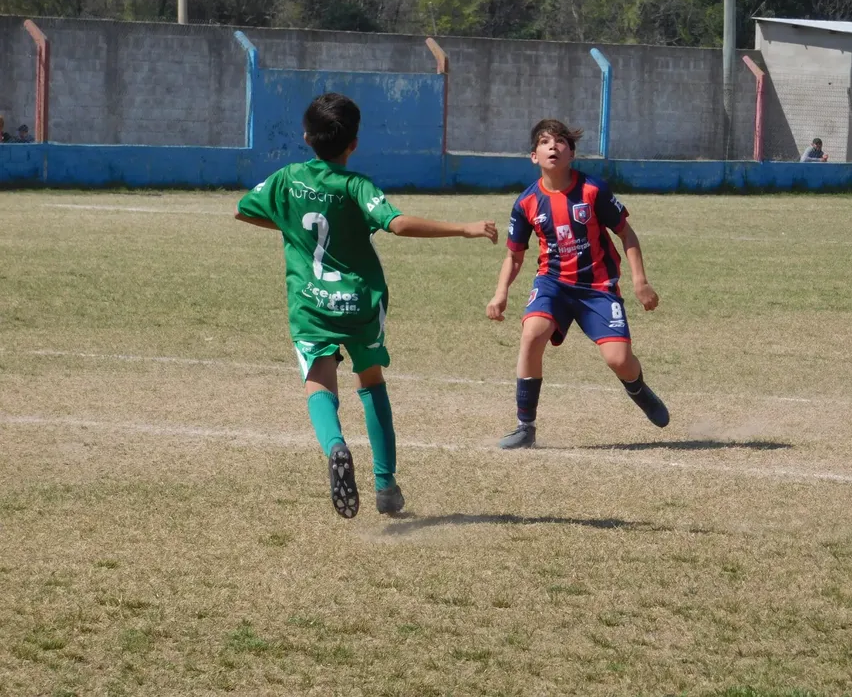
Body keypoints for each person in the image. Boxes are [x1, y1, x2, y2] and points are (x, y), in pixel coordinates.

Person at [235, 92, 498, 519]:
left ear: (306, 137)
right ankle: (385, 485)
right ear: (354, 143)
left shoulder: (287, 178)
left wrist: (287, 224)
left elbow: (243, 210)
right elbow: (397, 223)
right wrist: (463, 228)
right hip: (359, 301)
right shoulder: (356, 186)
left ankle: (335, 445)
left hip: (310, 301)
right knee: (371, 382)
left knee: (319, 380)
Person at [486, 119, 669, 449]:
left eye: (560, 142)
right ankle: (525, 426)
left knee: (618, 360)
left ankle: (639, 389)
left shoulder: (593, 191)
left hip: (598, 286)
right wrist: (500, 294)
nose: (552, 146)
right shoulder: (526, 203)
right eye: (544, 142)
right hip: (553, 284)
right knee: (532, 333)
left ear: (572, 153)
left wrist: (640, 281)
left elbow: (626, 234)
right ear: (533, 156)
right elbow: (513, 256)